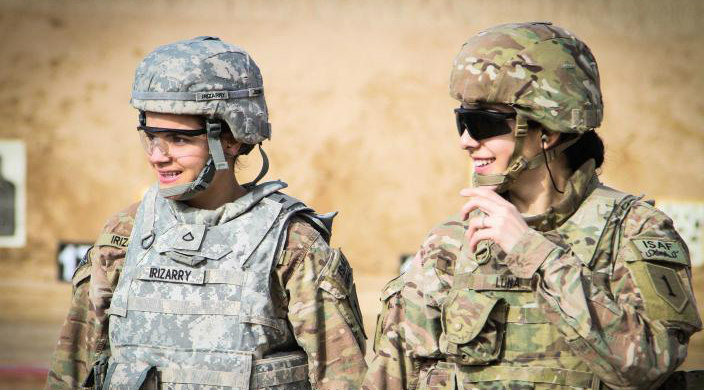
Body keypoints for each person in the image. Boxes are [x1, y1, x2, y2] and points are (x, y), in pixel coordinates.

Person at [363, 22, 702, 390]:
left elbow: (647, 366)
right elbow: (392, 377)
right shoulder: (452, 242)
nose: (465, 140)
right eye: (462, 120)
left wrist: (534, 253)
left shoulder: (635, 230)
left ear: (548, 131)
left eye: (482, 123)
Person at [46, 36, 367, 390]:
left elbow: (342, 378)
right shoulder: (125, 232)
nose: (157, 155)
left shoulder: (293, 245)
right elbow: (74, 368)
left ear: (231, 138)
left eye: (178, 139)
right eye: (151, 136)